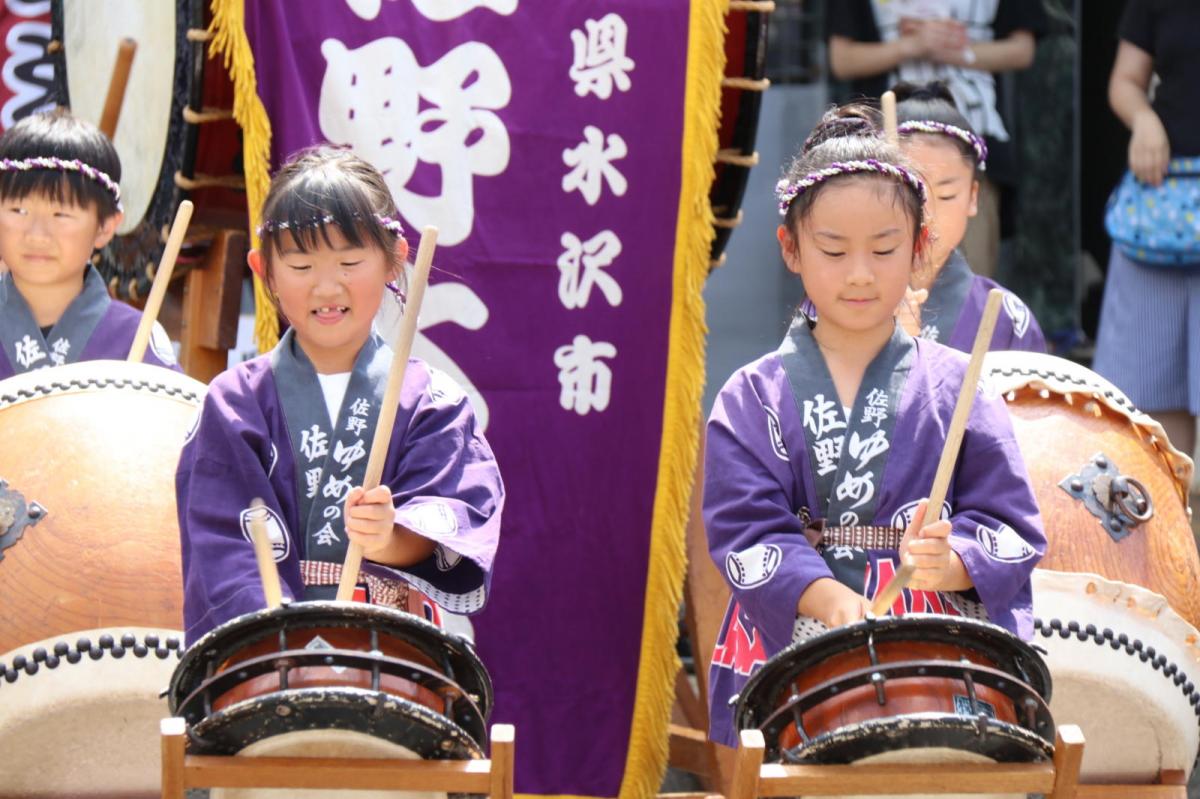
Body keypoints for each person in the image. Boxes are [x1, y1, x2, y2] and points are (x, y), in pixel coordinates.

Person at [703, 107, 1045, 746]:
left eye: (884, 249)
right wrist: (830, 599)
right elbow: (745, 530)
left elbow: (1011, 525)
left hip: (932, 640)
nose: (859, 272)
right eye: (833, 250)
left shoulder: (959, 387)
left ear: (919, 250)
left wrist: (953, 561)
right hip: (803, 629)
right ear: (791, 249)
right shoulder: (752, 397)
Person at [177, 145, 503, 644]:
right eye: (302, 267)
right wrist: (280, 639)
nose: (327, 288)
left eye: (349, 261)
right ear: (264, 270)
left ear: (394, 261)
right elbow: (220, 541)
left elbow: (457, 516)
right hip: (269, 652)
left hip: (391, 648)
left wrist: (390, 537)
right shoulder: (234, 403)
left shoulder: (432, 403)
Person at [826, 0, 1048, 279]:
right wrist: (912, 46)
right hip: (883, 151)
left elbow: (1023, 50)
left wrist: (953, 49)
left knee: (969, 279)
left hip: (974, 139)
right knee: (886, 273)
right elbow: (842, 59)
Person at [1092, 1, 1200, 459]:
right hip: (1161, 202)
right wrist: (1144, 120)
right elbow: (1125, 81)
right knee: (1147, 407)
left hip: (1164, 205)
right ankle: (1173, 531)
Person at [0, 109, 179, 378]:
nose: (37, 235)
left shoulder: (136, 337)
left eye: (61, 214)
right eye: (19, 211)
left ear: (105, 226)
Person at [893, 80, 1045, 352]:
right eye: (909, 193)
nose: (925, 214)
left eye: (947, 195)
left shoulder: (1005, 318)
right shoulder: (843, 303)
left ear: (972, 197)